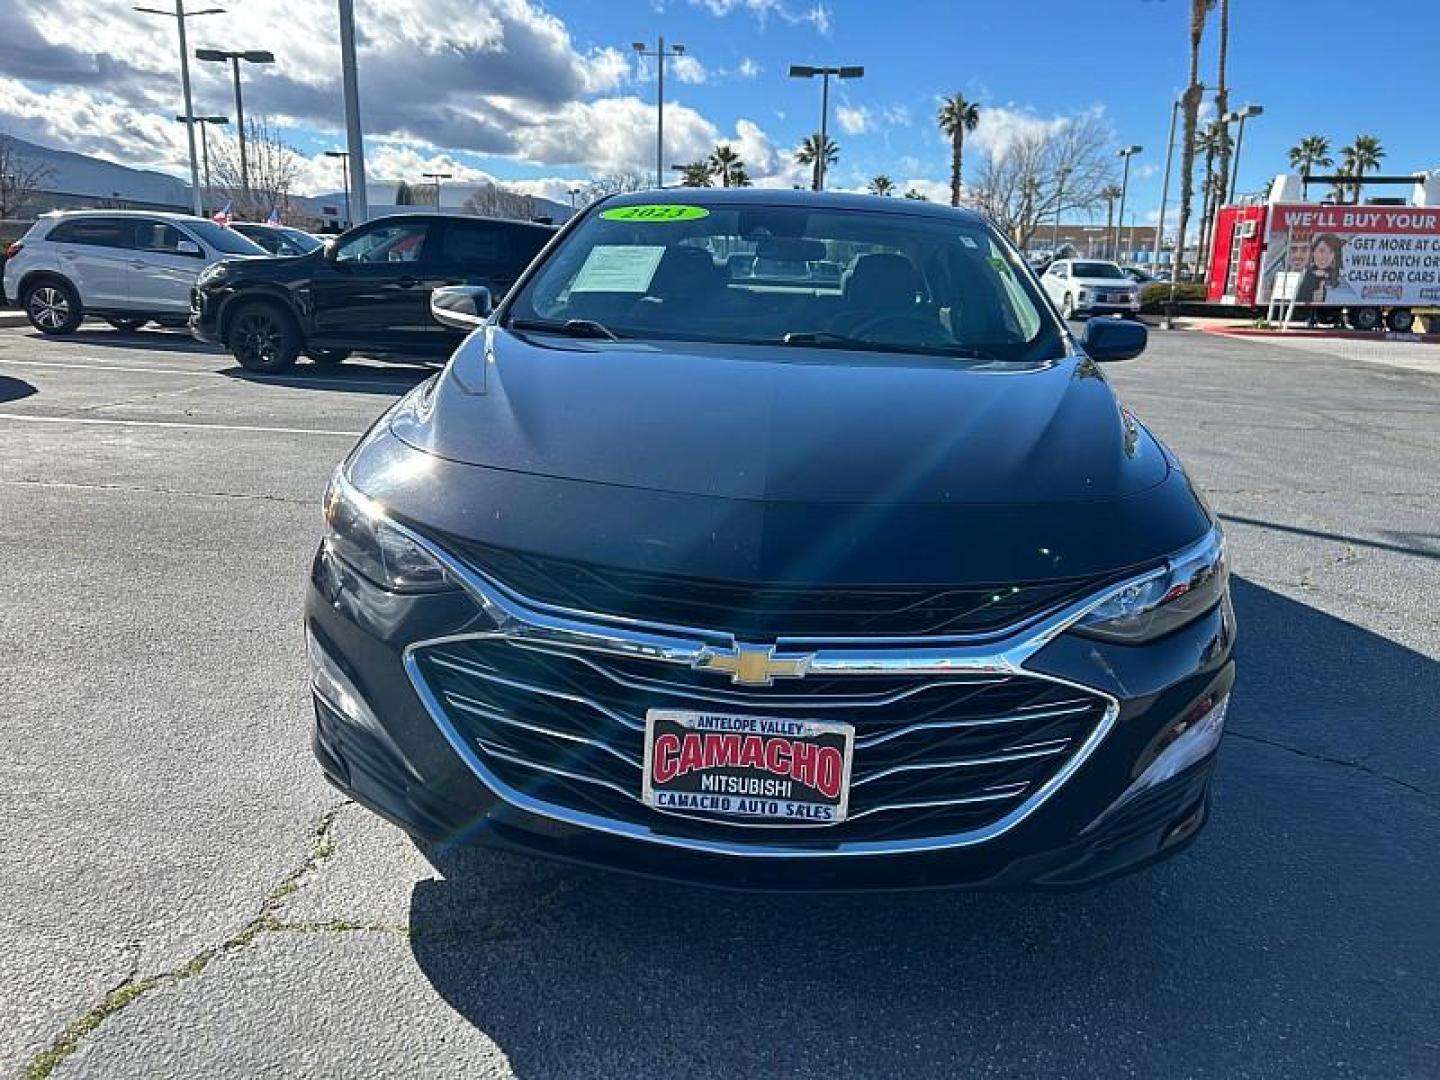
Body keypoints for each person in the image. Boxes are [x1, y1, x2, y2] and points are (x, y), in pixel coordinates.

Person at [1296, 233, 1343, 325]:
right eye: (1321, 251)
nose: (1325, 256)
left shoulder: (1337, 279)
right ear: (1313, 252)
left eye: (1331, 252)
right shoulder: (1306, 276)